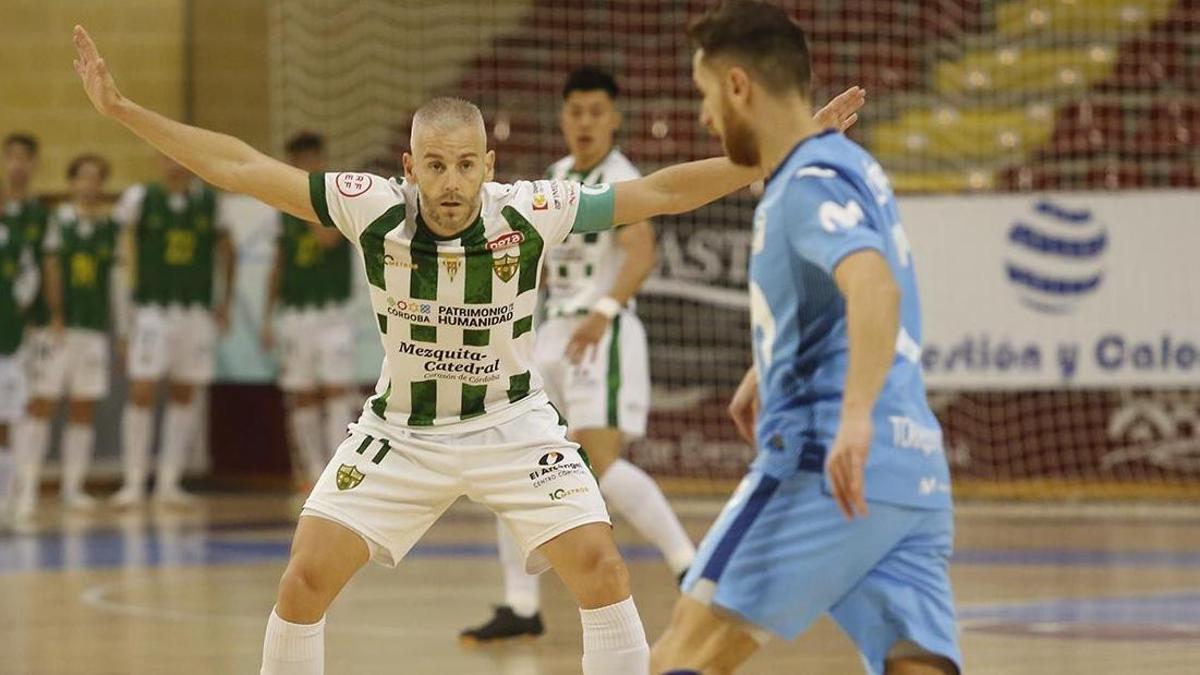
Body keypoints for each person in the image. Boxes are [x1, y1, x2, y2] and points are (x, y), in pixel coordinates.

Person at [71, 24, 862, 674]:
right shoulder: (369, 206)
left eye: (466, 166)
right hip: (400, 431)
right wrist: (125, 111)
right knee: (304, 577)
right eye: (435, 167)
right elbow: (244, 168)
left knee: (602, 567)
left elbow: (659, 191)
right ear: (409, 167)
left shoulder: (532, 210)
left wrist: (789, 147)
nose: (451, 184)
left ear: (489, 165)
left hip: (513, 424)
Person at [650, 3, 960, 675]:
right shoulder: (853, 167)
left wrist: (850, 421)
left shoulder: (803, 186)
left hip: (827, 462)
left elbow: (874, 285)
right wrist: (769, 366)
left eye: (705, 95)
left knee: (683, 651)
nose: (704, 116)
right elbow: (844, 296)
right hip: (914, 472)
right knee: (917, 664)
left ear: (738, 86)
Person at [461, 65, 696, 644]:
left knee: (601, 466)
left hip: (603, 335)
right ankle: (521, 606)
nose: (585, 122)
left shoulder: (622, 179)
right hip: (550, 337)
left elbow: (641, 252)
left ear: (614, 119)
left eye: (596, 112)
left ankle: (693, 566)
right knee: (513, 463)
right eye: (575, 112)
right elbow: (535, 267)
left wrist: (603, 313)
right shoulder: (556, 178)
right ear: (563, 119)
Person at [108, 152, 236, 507]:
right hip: (152, 310)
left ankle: (169, 481)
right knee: (142, 390)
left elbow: (229, 251)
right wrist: (124, 315)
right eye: (166, 158)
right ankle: (133, 481)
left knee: (184, 392)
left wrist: (225, 300)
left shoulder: (211, 204)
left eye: (180, 157)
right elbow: (122, 254)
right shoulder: (139, 198)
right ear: (157, 162)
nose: (174, 164)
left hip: (195, 311)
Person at [13, 154, 121, 517]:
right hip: (54, 328)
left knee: (83, 406)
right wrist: (53, 315)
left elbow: (116, 282)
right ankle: (25, 485)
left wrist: (120, 328)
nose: (90, 184)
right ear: (71, 182)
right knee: (41, 404)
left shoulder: (109, 228)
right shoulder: (55, 221)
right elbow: (47, 269)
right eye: (83, 178)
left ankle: (72, 487)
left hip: (92, 328)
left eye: (96, 178)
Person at [260, 132, 356, 486]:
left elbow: (326, 239)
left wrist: (308, 195)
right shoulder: (281, 210)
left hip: (332, 313)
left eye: (310, 159)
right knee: (301, 393)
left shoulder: (337, 200)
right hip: (297, 313)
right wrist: (267, 318)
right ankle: (311, 470)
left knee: (335, 389)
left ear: (321, 159)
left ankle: (336, 468)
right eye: (297, 160)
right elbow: (278, 264)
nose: (304, 165)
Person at [0, 184, 40, 523]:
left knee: (9, 423)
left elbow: (29, 283)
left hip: (7, 347)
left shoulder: (15, 241)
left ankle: (10, 497)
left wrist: (14, 309)